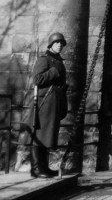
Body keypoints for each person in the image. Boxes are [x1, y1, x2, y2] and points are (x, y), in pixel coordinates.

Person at [30, 32, 68, 178]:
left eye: (61, 44)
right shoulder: (44, 60)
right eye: (57, 43)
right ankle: (36, 169)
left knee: (48, 136)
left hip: (54, 104)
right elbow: (37, 79)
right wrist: (53, 72)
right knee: (39, 135)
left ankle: (44, 167)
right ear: (51, 44)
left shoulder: (59, 61)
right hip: (44, 104)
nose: (59, 45)